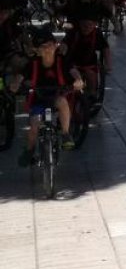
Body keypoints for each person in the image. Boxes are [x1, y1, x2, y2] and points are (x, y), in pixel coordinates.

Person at [15, 25, 83, 166]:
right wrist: (16, 84)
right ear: (37, 50)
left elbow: (73, 71)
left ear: (55, 45)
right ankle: (29, 150)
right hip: (38, 99)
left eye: (50, 45)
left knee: (63, 103)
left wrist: (78, 80)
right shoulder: (33, 64)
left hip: (56, 96)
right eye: (43, 46)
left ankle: (65, 133)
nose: (47, 49)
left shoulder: (61, 61)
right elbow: (21, 76)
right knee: (34, 127)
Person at [59, 9, 111, 96]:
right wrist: (62, 51)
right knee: (68, 79)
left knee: (91, 77)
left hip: (89, 63)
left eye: (89, 25)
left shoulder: (97, 34)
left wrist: (108, 65)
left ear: (94, 25)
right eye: (84, 25)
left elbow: (105, 48)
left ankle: (92, 95)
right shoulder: (74, 32)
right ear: (79, 24)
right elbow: (64, 44)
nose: (86, 28)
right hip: (73, 63)